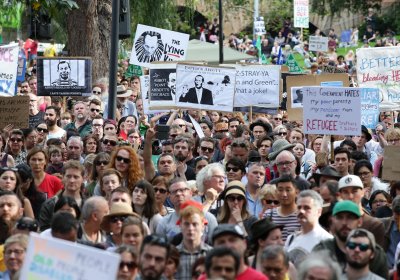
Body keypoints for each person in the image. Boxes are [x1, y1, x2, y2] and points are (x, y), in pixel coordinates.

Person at [313, 200, 388, 279]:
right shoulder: (322, 249)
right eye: (340, 217)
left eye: (350, 217)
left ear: (359, 221)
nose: (344, 222)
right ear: (332, 221)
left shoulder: (376, 253)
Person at [337, 174, 385, 247]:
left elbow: (377, 256)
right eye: (345, 192)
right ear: (339, 195)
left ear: (362, 192)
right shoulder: (335, 222)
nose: (350, 196)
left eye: (354, 191)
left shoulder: (374, 225)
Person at [285, 190, 332, 263]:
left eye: (307, 208)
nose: (301, 211)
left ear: (319, 211)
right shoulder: (291, 239)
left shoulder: (327, 240)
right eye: (299, 207)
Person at [175, 202, 212, 279]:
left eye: (195, 224)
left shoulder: (212, 255)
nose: (190, 228)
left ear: (202, 226)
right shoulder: (172, 255)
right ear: (180, 225)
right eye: (186, 224)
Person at [263, 175, 300, 242]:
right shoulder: (268, 215)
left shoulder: (302, 215)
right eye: (280, 190)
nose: (284, 194)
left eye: (288, 190)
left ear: (296, 192)